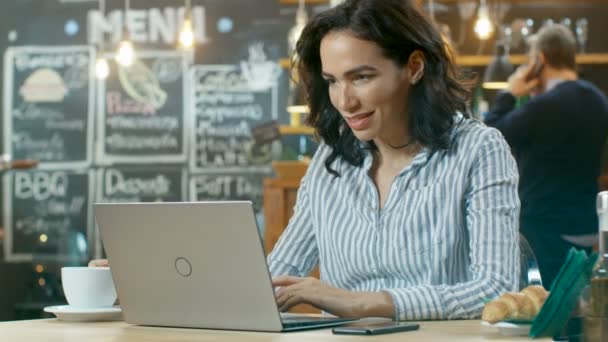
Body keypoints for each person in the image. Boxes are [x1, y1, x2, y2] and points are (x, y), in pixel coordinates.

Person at [268, 0, 520, 321]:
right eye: (332, 81)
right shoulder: (331, 160)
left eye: (361, 77)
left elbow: (497, 288)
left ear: (414, 67)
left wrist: (365, 303)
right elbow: (279, 274)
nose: (345, 101)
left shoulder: (478, 149)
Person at [485, 24, 608, 287]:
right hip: (585, 226)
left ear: (540, 60)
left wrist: (509, 92)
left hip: (544, 230)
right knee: (573, 306)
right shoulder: (599, 100)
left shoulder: (544, 107)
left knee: (546, 313)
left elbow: (490, 136)